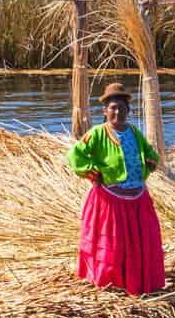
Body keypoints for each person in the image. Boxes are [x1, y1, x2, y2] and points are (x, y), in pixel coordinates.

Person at [69, 83, 166, 295]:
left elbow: (150, 152)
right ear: (104, 111)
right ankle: (111, 281)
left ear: (128, 111)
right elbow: (76, 155)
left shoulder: (134, 132)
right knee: (113, 242)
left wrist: (150, 162)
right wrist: (92, 171)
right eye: (113, 107)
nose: (117, 112)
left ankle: (137, 279)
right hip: (110, 199)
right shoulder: (97, 134)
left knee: (140, 241)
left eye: (122, 107)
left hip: (137, 197)